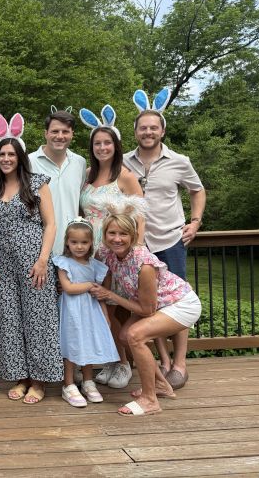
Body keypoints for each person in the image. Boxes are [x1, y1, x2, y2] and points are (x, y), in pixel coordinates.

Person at [124, 91, 205, 390]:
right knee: (149, 303)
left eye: (153, 127)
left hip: (171, 240)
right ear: (135, 131)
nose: (148, 132)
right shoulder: (123, 161)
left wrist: (195, 221)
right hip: (138, 245)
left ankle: (180, 364)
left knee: (178, 299)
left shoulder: (179, 161)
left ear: (162, 131)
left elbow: (197, 190)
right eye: (143, 128)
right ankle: (164, 361)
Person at [0, 119, 62, 405]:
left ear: (20, 158)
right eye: (1, 155)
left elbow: (51, 224)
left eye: (11, 154)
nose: (6, 159)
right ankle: (20, 377)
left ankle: (39, 381)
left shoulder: (37, 183)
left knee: (38, 319)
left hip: (33, 262)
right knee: (9, 320)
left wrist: (43, 260)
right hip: (3, 264)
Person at [92, 211, 202, 416]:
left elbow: (147, 310)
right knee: (124, 336)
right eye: (112, 233)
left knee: (134, 335)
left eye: (123, 234)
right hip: (155, 303)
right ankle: (161, 385)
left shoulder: (144, 263)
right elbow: (89, 265)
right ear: (104, 234)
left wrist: (110, 295)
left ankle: (150, 400)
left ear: (133, 236)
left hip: (181, 303)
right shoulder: (107, 253)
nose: (117, 239)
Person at [78, 112, 145, 390]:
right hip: (89, 252)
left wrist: (135, 249)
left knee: (114, 310)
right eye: (97, 143)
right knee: (96, 309)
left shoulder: (125, 177)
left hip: (116, 250)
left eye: (107, 143)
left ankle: (124, 363)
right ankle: (109, 360)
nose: (102, 147)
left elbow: (140, 215)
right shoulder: (87, 175)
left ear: (116, 146)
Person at [52, 218, 119, 408]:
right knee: (71, 345)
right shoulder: (63, 263)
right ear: (67, 242)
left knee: (88, 344)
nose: (79, 246)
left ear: (91, 243)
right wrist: (90, 284)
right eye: (74, 242)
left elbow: (101, 295)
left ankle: (88, 382)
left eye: (84, 242)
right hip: (71, 312)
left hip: (91, 312)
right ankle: (68, 384)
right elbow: (68, 288)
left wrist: (105, 316)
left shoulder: (95, 265)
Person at [29, 109, 86, 256]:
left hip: (72, 249)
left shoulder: (80, 163)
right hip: (38, 248)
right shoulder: (29, 162)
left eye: (65, 131)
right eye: (55, 131)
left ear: (72, 134)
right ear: (46, 133)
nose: (60, 136)